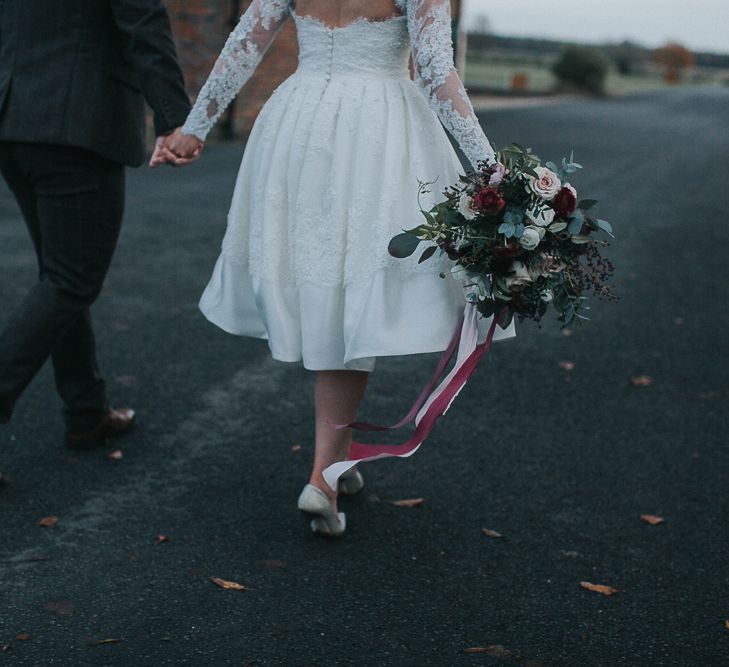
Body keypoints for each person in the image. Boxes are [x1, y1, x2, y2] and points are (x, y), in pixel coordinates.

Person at [157, 0, 514, 536]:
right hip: (380, 129)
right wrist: (491, 171)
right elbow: (438, 69)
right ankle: (322, 476)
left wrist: (196, 126)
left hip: (298, 121)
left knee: (336, 280)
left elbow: (244, 44)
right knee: (355, 289)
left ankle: (337, 458)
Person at [0, 1, 192, 454]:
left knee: (60, 275)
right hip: (77, 121)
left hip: (14, 120)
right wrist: (175, 119)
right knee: (70, 280)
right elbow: (143, 23)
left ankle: (86, 411)